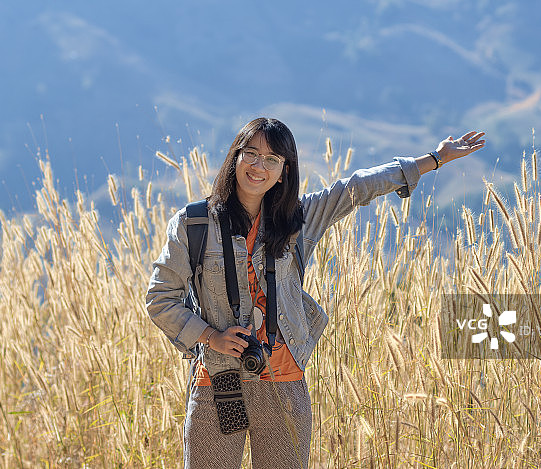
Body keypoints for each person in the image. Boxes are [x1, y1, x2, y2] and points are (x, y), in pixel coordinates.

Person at [146, 117, 485, 468]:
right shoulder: (193, 224)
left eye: (272, 159)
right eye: (251, 153)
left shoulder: (300, 218)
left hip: (283, 383)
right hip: (218, 382)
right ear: (235, 157)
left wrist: (436, 157)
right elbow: (160, 297)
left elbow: (357, 187)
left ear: (284, 171)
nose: (258, 166)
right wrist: (209, 336)